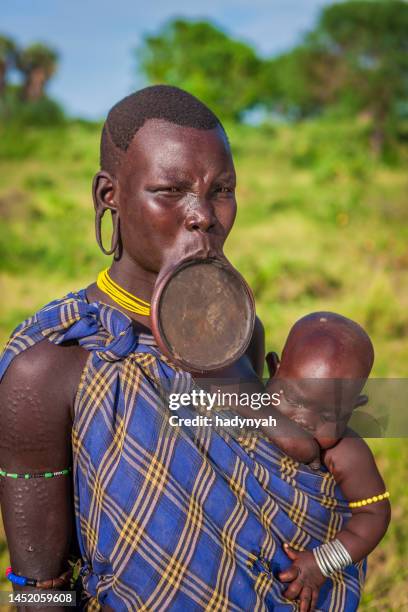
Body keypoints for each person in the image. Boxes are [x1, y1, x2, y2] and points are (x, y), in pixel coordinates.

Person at [0, 86, 364, 612]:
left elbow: (265, 482)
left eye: (222, 190)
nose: (204, 216)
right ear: (109, 195)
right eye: (170, 190)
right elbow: (40, 589)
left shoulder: (240, 333)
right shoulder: (51, 366)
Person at [260, 312, 391, 608]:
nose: (304, 421)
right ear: (273, 369)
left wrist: (321, 564)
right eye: (293, 400)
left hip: (305, 576)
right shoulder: (250, 405)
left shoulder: (346, 451)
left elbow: (375, 515)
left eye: (328, 415)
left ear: (352, 410)